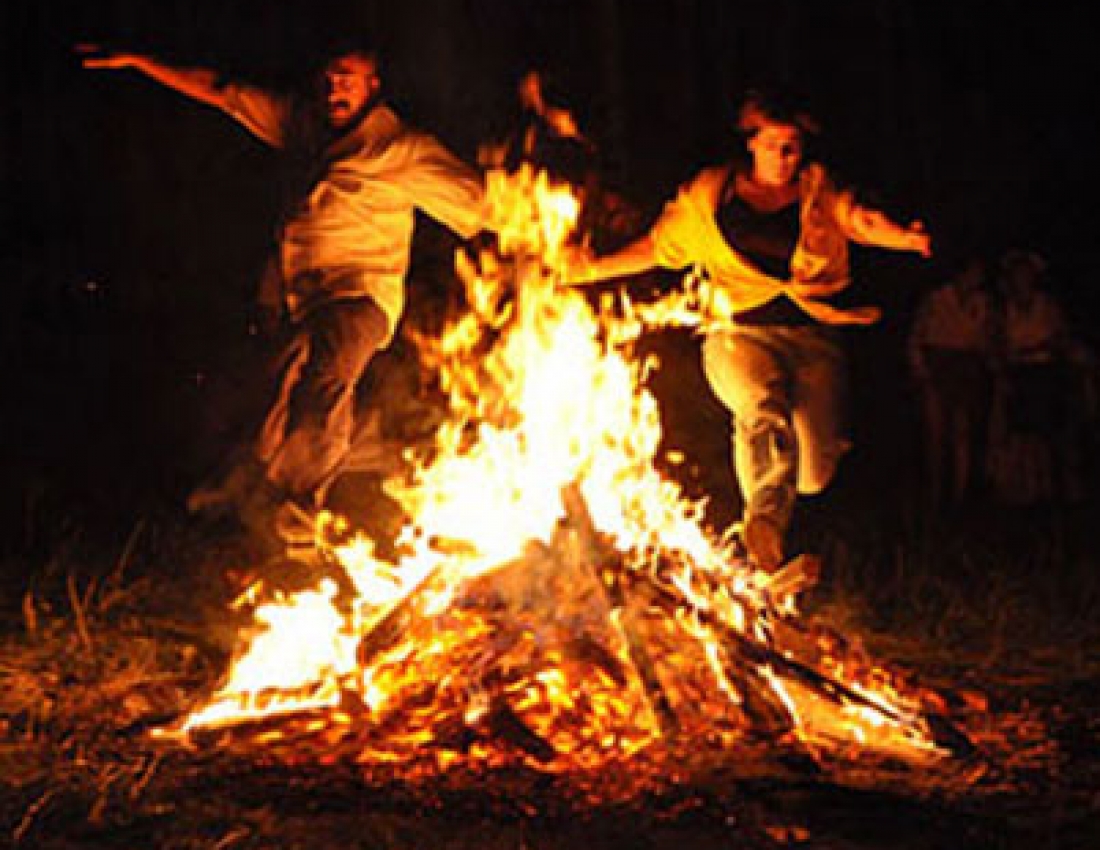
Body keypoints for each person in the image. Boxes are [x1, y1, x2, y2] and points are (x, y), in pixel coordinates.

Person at [80, 40, 489, 541]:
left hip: (362, 298)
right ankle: (365, 459)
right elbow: (222, 90)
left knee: (328, 368)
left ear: (372, 85)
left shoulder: (401, 149)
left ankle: (300, 508)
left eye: (347, 77)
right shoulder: (300, 125)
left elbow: (485, 207)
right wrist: (141, 61)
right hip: (301, 301)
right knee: (271, 401)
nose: (334, 86)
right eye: (328, 77)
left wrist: (559, 242)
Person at [566, 89, 931, 571]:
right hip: (737, 332)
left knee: (815, 471)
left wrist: (903, 237)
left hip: (812, 340)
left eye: (792, 148)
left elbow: (860, 218)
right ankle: (764, 524)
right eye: (773, 146)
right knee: (764, 408)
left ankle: (774, 494)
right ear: (751, 144)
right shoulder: (710, 197)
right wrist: (591, 269)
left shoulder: (819, 191)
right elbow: (658, 246)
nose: (783, 158)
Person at [987, 249, 1087, 505]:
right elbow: (998, 346)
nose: (1023, 278)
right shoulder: (1002, 310)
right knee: (1021, 435)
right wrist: (1005, 371)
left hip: (1046, 374)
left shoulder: (1047, 306)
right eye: (1018, 274)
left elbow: (1061, 339)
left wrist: (1046, 349)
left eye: (1027, 273)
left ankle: (1055, 490)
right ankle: (1022, 491)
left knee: (1050, 432)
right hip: (1017, 374)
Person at [907, 255, 995, 514]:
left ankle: (959, 495)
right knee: (936, 433)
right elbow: (918, 334)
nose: (978, 279)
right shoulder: (937, 299)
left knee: (962, 432)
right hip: (939, 364)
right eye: (974, 273)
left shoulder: (983, 303)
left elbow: (986, 338)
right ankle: (935, 493)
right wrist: (920, 368)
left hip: (966, 365)